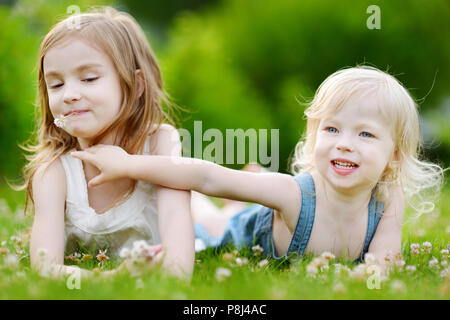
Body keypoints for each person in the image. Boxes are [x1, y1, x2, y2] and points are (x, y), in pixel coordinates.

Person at [70, 66, 447, 272]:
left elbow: (384, 260)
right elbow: (207, 176)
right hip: (248, 231)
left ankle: (254, 185)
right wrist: (129, 163)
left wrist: (369, 274)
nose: (344, 142)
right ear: (315, 136)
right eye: (331, 129)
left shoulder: (387, 198)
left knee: (246, 200)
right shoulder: (296, 195)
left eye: (365, 134)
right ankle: (231, 199)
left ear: (394, 156)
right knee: (213, 222)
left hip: (269, 201)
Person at [12, 6, 194, 280]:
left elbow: (177, 241)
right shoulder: (53, 172)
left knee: (217, 224)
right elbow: (45, 268)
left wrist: (173, 282)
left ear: (136, 85)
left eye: (89, 79)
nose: (70, 94)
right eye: (57, 85)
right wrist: (114, 277)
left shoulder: (159, 141)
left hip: (201, 229)